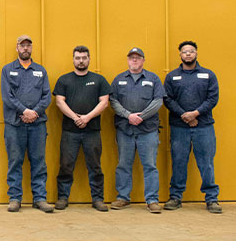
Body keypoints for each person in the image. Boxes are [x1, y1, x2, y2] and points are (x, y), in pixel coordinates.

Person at [163, 41, 222, 213]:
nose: (188, 54)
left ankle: (211, 199)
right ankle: (175, 197)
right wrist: (185, 116)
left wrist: (195, 114)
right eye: (184, 52)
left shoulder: (208, 75)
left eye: (191, 51)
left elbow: (213, 99)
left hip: (204, 127)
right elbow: (168, 99)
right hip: (179, 127)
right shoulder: (172, 76)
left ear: (196, 53)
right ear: (180, 55)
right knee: (179, 162)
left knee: (206, 163)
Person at [53, 46, 111, 211]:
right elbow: (59, 101)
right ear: (73, 59)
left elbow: (104, 102)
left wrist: (87, 117)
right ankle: (63, 198)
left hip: (92, 131)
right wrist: (75, 118)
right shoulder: (64, 80)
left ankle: (98, 199)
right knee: (66, 165)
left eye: (84, 57)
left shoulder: (99, 80)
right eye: (77, 57)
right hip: (70, 131)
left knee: (95, 166)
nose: (81, 60)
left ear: (89, 59)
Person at [0, 35, 53, 213]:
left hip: (38, 124)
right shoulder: (8, 70)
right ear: (17, 48)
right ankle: (15, 198)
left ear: (31, 48)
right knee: (15, 161)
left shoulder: (40, 71)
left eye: (28, 46)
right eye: (22, 46)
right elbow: (8, 97)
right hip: (14, 124)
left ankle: (40, 198)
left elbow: (47, 96)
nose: (25, 49)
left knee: (39, 161)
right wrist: (24, 111)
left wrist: (35, 112)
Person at [109, 47, 165, 213]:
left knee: (150, 165)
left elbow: (158, 100)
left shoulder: (153, 78)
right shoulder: (119, 80)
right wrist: (128, 116)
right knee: (123, 164)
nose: (134, 60)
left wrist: (141, 116)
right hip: (125, 130)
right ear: (127, 60)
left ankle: (152, 200)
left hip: (147, 129)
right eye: (131, 58)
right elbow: (113, 101)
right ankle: (123, 197)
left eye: (138, 58)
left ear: (143, 60)